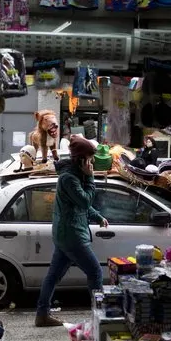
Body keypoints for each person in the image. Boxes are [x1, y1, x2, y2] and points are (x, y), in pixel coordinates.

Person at [35, 135, 109, 327]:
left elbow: (81, 206)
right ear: (81, 159)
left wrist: (98, 217)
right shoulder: (69, 178)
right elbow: (84, 200)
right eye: (90, 159)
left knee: (53, 276)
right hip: (72, 235)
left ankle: (42, 314)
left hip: (67, 234)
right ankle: (98, 315)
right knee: (95, 272)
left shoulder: (76, 175)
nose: (92, 163)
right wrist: (91, 178)